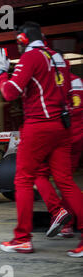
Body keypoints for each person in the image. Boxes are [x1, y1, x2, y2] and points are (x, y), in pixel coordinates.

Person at [0, 21, 82, 257]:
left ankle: (22, 238)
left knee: (22, 180)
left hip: (38, 125)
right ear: (41, 36)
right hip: (62, 127)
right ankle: (63, 216)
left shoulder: (31, 57)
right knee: (65, 181)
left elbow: (10, 92)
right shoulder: (59, 58)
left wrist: (3, 73)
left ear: (22, 39)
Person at [34, 73, 83, 238]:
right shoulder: (78, 81)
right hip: (78, 138)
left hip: (59, 136)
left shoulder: (52, 81)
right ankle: (67, 226)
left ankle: (58, 213)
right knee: (66, 182)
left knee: (38, 174)